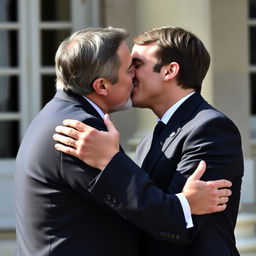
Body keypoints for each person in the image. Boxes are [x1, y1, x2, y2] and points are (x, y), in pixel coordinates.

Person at [15, 27, 231, 256]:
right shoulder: (80, 129)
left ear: (170, 71)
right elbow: (154, 213)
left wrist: (112, 160)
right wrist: (184, 207)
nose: (134, 77)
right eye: (130, 69)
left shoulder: (209, 128)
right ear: (101, 86)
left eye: (137, 67)